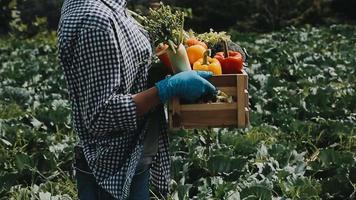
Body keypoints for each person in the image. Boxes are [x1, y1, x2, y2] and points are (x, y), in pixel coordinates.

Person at [57, 0, 215, 199]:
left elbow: (125, 75)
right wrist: (166, 88)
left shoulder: (112, 8)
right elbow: (100, 116)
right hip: (110, 173)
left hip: (132, 160)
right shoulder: (95, 21)